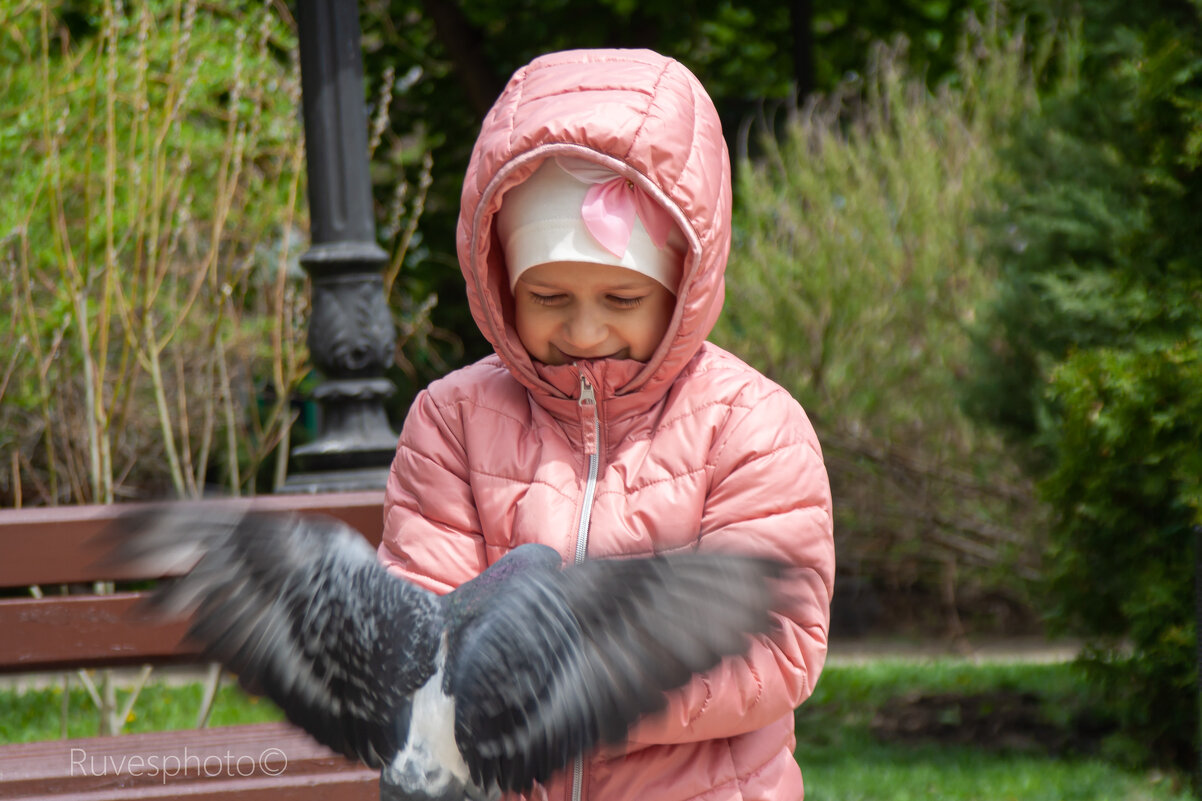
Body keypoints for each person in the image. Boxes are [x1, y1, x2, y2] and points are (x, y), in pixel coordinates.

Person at [378, 47, 835, 801]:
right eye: (549, 296)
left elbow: (773, 644)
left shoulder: (750, 425)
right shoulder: (453, 419)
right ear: (501, 279)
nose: (584, 331)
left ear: (683, 282)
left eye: (622, 300)